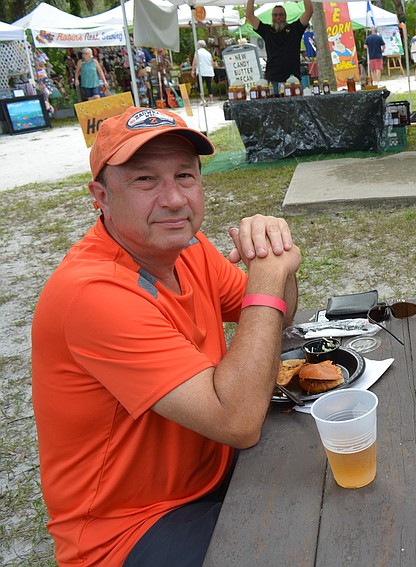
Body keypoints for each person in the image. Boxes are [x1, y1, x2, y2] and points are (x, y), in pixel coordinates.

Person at [31, 106, 301, 567]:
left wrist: (278, 264)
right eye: (144, 180)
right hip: (126, 530)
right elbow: (237, 421)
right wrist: (267, 279)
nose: (174, 199)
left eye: (185, 175)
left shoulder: (187, 248)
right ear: (101, 195)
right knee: (298, 542)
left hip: (208, 469)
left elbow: (280, 313)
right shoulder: (91, 293)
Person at [246, 0, 314, 95]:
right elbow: (249, 15)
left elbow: (309, 11)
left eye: (281, 15)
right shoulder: (267, 30)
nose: (278, 17)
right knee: (274, 109)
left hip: (293, 79)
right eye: (275, 15)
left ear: (285, 16)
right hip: (273, 80)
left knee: (297, 108)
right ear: (272, 17)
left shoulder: (295, 28)